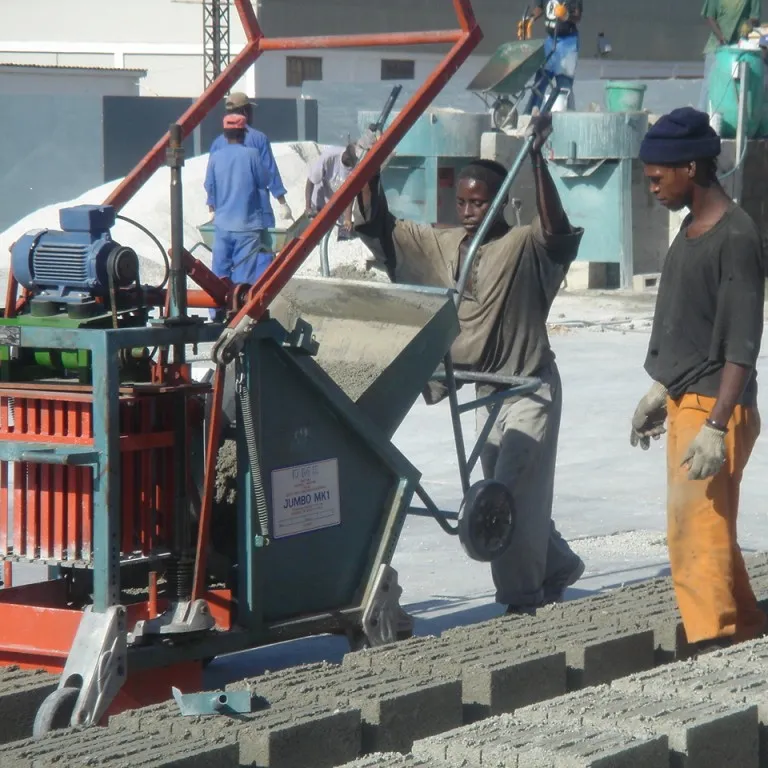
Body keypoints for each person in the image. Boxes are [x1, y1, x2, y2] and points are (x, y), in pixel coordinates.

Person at [354, 116, 586, 614]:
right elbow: (383, 230)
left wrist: (538, 159)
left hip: (527, 387)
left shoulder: (523, 245)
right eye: (461, 202)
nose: (467, 211)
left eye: (478, 202)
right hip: (484, 389)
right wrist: (370, 170)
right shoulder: (444, 246)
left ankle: (520, 602)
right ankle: (558, 562)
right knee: (505, 491)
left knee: (505, 493)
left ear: (500, 201)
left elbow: (558, 232)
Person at [631, 107, 767, 653]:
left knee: (693, 533)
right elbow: (691, 325)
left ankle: (714, 642)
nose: (653, 187)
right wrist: (661, 390)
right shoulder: (690, 231)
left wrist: (715, 425)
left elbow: (741, 344)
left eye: (658, 177)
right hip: (689, 401)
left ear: (691, 166)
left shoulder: (735, 237)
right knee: (709, 528)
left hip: (717, 407)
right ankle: (746, 629)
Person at [204, 114, 269, 305]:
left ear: (225, 134)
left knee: (219, 277)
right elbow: (264, 181)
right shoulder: (252, 155)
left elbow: (209, 185)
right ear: (244, 133)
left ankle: (216, 313)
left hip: (222, 226)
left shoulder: (215, 157)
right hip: (247, 227)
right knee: (243, 281)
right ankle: (239, 316)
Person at [210, 92, 293, 227]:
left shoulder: (217, 144)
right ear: (245, 112)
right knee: (261, 247)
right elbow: (270, 173)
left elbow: (212, 181)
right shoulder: (258, 138)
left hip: (226, 214)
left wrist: (212, 207)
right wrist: (282, 202)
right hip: (257, 211)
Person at [699, 0, 760, 111]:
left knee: (735, 88)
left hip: (740, 49)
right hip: (716, 47)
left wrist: (748, 24)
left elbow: (755, 18)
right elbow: (710, 17)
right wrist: (721, 37)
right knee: (709, 84)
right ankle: (701, 119)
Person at [527, 1, 583, 113]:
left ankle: (566, 117)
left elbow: (577, 16)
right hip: (551, 40)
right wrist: (530, 19)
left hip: (567, 42)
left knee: (564, 85)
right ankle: (530, 116)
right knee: (540, 81)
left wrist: (566, 15)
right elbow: (540, 7)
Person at [305, 143, 359, 237]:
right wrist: (308, 207)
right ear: (347, 158)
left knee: (341, 234)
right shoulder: (329, 156)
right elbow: (311, 181)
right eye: (354, 162)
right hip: (320, 201)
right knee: (315, 235)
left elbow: (350, 194)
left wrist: (347, 218)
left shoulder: (356, 167)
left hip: (338, 205)